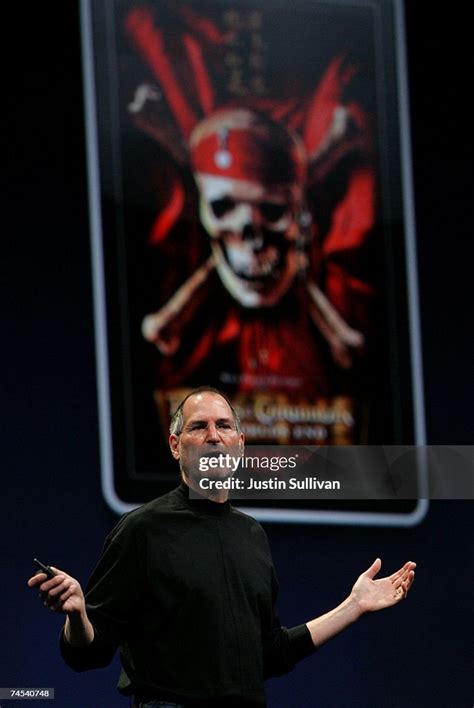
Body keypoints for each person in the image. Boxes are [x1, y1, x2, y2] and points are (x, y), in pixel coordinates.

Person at [28, 387, 416, 707]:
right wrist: (77, 614)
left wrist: (353, 607)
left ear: (240, 444)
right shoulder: (141, 530)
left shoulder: (252, 536)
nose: (214, 435)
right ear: (176, 446)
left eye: (224, 425)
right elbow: (86, 654)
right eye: (199, 427)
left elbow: (269, 654)